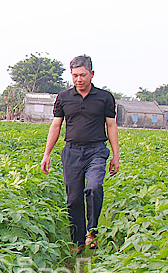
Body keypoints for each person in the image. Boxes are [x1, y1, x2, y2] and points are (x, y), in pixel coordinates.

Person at [40, 55, 120, 252]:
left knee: (93, 188)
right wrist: (46, 154)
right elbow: (56, 125)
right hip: (72, 152)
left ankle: (91, 232)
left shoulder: (104, 98)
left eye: (83, 75)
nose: (78, 79)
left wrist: (116, 156)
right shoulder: (64, 98)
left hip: (96, 151)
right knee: (73, 199)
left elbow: (111, 125)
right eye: (75, 75)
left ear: (91, 74)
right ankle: (77, 242)